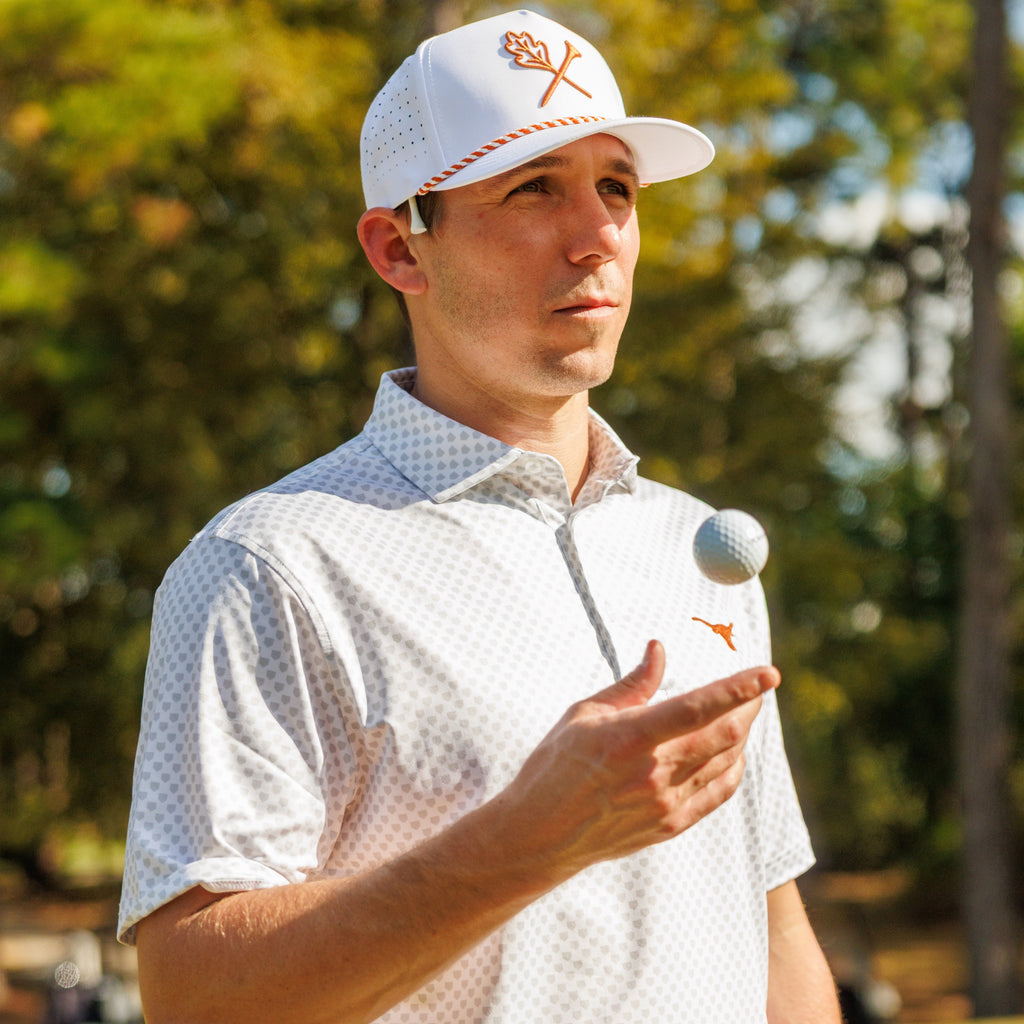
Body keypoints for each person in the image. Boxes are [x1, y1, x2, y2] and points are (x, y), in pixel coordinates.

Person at [118, 9, 841, 1023]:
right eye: (533, 187)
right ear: (398, 249)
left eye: (615, 188)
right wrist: (532, 837)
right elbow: (195, 998)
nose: (597, 236)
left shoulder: (696, 548)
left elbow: (769, 925)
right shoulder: (266, 564)